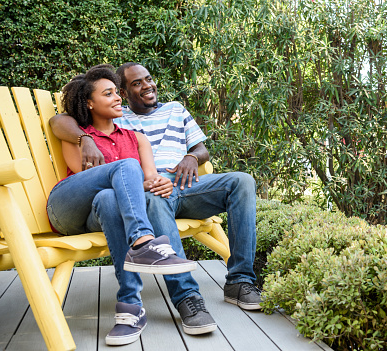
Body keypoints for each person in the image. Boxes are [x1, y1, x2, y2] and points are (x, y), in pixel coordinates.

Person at [49, 62, 262, 337]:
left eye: (148, 79)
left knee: (242, 181)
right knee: (135, 191)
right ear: (123, 94)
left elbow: (198, 149)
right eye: (134, 84)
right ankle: (185, 295)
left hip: (175, 182)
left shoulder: (156, 121)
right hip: (129, 194)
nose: (147, 86)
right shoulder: (111, 117)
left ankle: (241, 281)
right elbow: (59, 122)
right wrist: (84, 140)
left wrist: (188, 159)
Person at [47, 65, 197, 346]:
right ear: (89, 102)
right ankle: (143, 244)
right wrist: (85, 138)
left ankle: (129, 307)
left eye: (118, 92)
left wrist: (160, 184)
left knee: (109, 197)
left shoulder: (137, 138)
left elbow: (150, 179)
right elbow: (82, 173)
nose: (118, 98)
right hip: (67, 209)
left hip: (100, 212)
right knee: (124, 170)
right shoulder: (77, 134)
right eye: (108, 93)